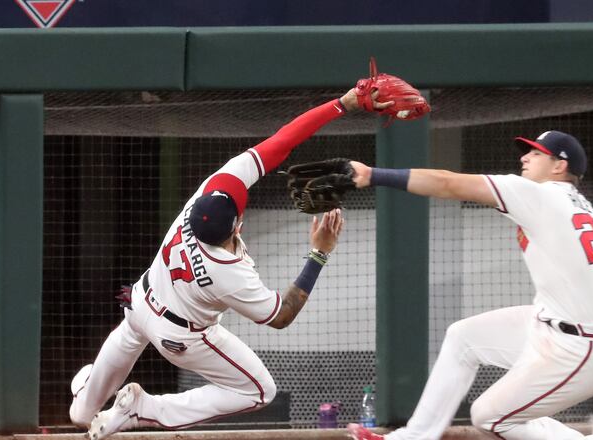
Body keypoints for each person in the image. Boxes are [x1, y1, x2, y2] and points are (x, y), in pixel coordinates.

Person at [68, 86, 389, 440]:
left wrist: (341, 105)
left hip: (140, 302)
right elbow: (281, 315)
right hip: (180, 335)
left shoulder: (208, 192)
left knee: (82, 413)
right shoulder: (227, 269)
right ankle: (144, 410)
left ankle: (87, 398)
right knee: (259, 391)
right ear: (236, 224)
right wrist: (319, 252)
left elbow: (281, 143)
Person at [347, 130, 593, 440]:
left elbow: (448, 183)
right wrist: (582, 305)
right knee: (463, 337)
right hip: (565, 329)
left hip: (582, 349)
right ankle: (412, 437)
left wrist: (373, 174)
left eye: (536, 153)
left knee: (489, 418)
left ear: (559, 166)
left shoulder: (539, 195)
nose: (524, 157)